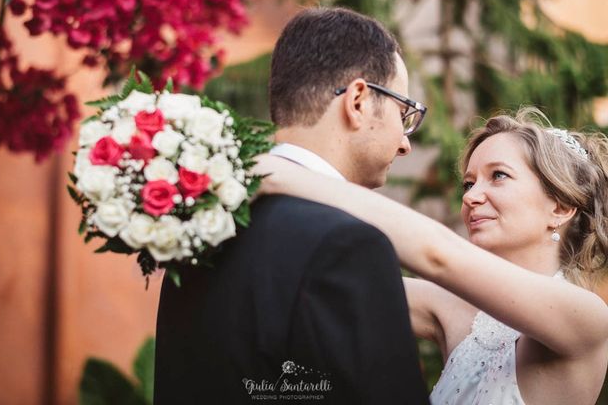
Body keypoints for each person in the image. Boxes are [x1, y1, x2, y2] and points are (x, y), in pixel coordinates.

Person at [153, 7, 430, 404]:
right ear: (358, 101)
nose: (405, 143)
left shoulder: (203, 230)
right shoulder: (349, 245)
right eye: (402, 113)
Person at [253, 108, 608, 405]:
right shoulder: (452, 308)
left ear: (560, 207)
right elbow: (325, 283)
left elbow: (436, 253)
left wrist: (282, 175)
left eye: (498, 176)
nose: (471, 197)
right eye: (469, 184)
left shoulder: (586, 318)